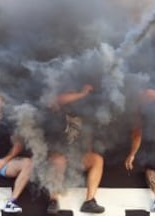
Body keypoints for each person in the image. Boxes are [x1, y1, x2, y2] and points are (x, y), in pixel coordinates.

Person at [42, 84, 105, 214]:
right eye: (71, 95)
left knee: (97, 159)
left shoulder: (84, 116)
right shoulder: (57, 110)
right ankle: (53, 200)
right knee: (59, 160)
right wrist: (82, 93)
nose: (73, 99)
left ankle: (89, 201)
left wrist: (86, 153)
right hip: (57, 156)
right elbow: (58, 99)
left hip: (76, 158)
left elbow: (88, 139)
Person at [0, 93, 32, 213]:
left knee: (28, 163)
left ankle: (11, 203)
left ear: (3, 104)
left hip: (5, 162)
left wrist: (4, 160)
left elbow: (18, 145)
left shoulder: (10, 121)